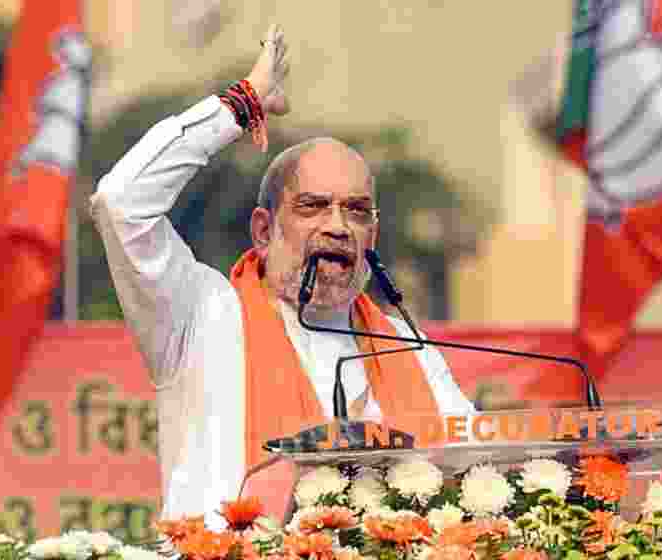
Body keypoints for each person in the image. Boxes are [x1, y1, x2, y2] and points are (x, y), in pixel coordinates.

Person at [90, 25, 475, 523]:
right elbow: (121, 203)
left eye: (356, 211)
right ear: (263, 228)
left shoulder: (406, 344)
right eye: (313, 207)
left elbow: (479, 470)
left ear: (372, 237)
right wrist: (241, 104)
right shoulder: (201, 316)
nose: (337, 226)